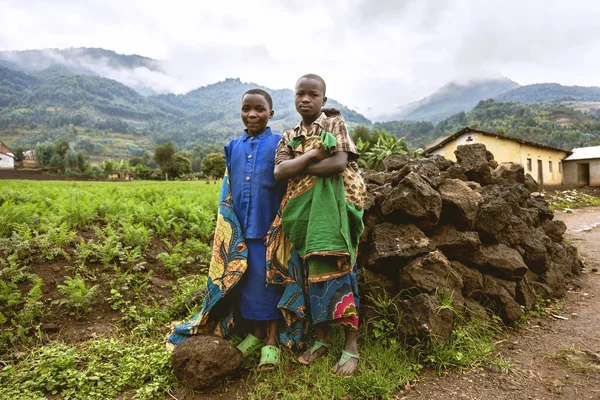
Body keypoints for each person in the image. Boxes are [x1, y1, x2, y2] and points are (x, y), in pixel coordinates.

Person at [167, 88, 290, 369]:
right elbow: (228, 189)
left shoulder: (281, 143)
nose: (252, 114)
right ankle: (256, 333)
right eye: (247, 108)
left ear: (270, 113)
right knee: (245, 282)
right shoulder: (232, 147)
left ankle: (271, 338)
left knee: (269, 283)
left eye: (259, 109)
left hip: (270, 230)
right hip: (239, 232)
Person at [273, 74, 366, 376]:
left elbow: (339, 164)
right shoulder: (289, 135)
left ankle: (350, 345)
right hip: (302, 215)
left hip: (333, 209)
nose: (306, 99)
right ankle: (322, 338)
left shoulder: (333, 123)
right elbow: (279, 172)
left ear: (323, 100)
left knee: (339, 268)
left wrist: (298, 166)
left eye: (313, 94)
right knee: (309, 273)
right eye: (301, 93)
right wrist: (314, 154)